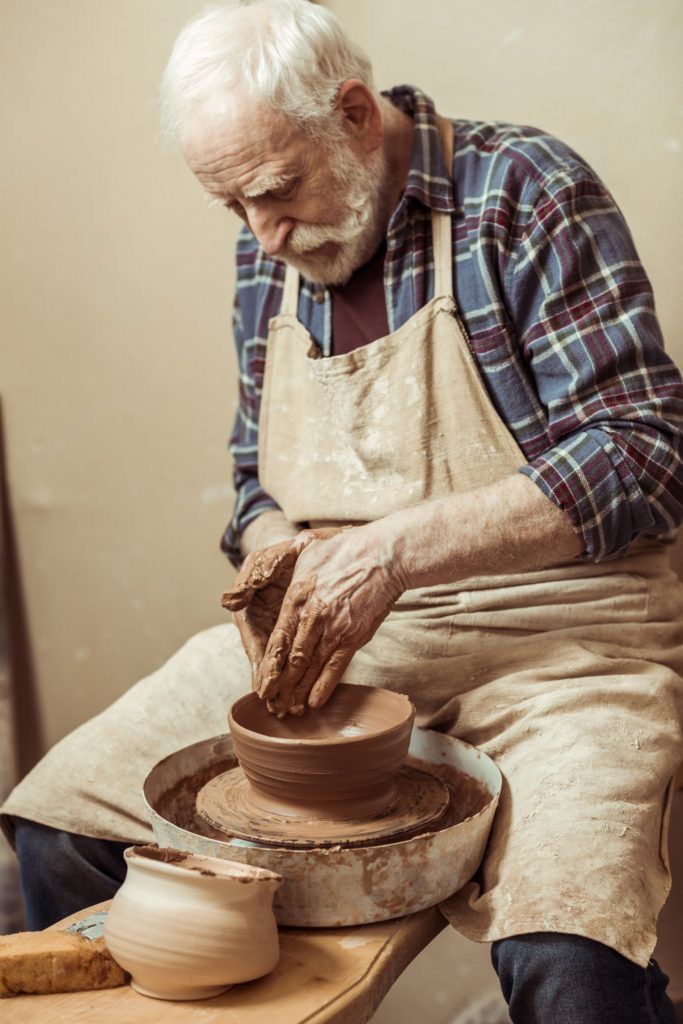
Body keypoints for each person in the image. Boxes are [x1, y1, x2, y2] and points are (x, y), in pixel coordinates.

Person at [3, 2, 682, 1021]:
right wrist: (275, 547)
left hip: (564, 647)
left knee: (570, 957)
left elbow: (646, 449)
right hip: (346, 642)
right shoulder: (269, 242)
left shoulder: (524, 190)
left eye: (275, 191)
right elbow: (252, 474)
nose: (262, 236)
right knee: (63, 829)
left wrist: (391, 553)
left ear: (355, 114)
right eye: (232, 208)